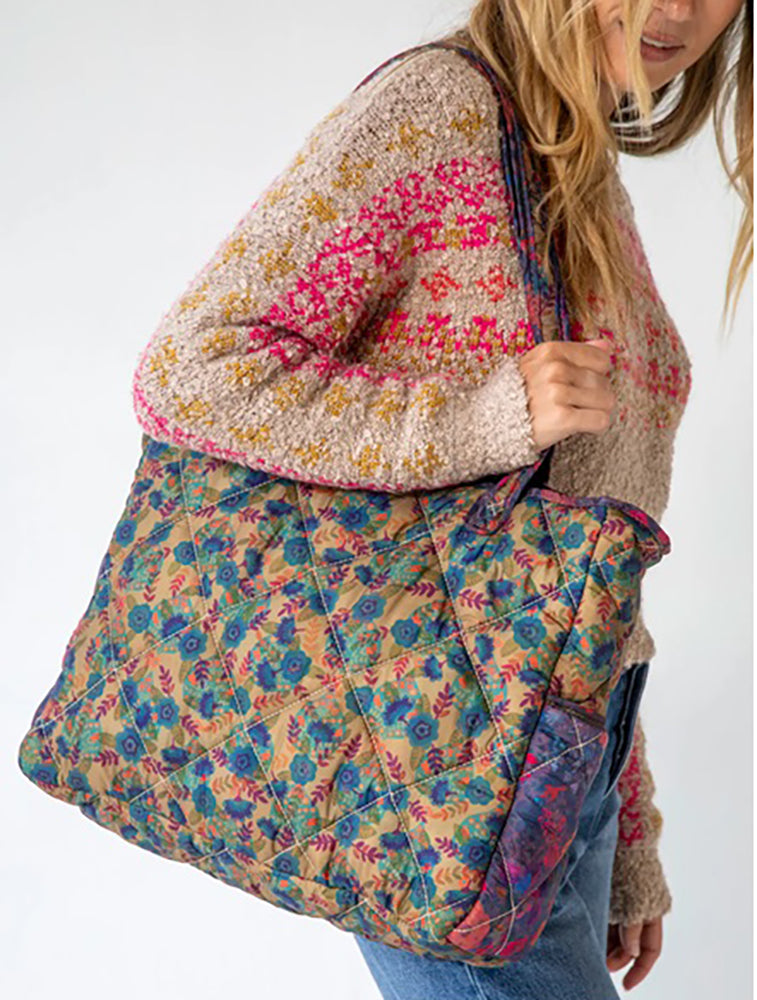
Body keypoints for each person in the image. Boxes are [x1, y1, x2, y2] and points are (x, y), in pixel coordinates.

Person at [129, 0, 752, 995]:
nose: (675, 9)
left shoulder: (568, 156)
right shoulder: (438, 111)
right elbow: (190, 371)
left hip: (562, 774)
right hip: (435, 778)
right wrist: (481, 416)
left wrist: (624, 820)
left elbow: (577, 552)